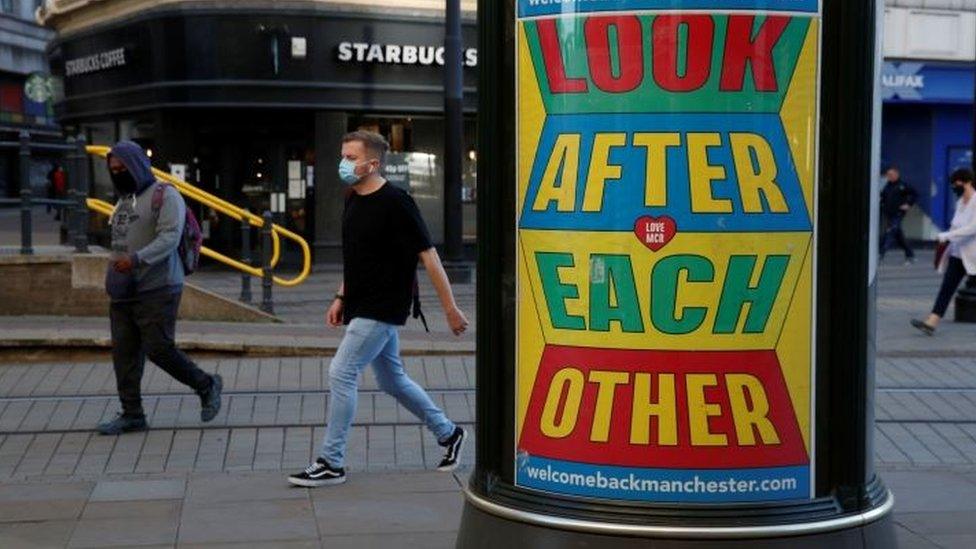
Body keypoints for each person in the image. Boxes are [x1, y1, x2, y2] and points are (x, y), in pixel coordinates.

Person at [289, 131, 469, 487]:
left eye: (351, 157)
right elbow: (356, 257)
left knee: (341, 372)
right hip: (360, 303)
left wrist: (450, 308)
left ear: (373, 163)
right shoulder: (352, 198)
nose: (344, 163)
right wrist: (341, 296)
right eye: (343, 155)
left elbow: (429, 256)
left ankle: (331, 461)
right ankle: (449, 434)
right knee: (392, 379)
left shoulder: (397, 201)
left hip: (384, 304)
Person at [96, 141, 223, 435]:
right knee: (124, 353)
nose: (117, 173)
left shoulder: (165, 196)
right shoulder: (124, 200)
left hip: (160, 286)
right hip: (124, 290)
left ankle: (206, 384)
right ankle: (132, 414)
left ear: (137, 166)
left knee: (158, 348)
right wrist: (114, 272)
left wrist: (136, 259)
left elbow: (169, 237)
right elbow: (120, 242)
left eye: (122, 168)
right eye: (113, 169)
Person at [911, 169, 976, 336]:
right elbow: (956, 225)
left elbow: (972, 228)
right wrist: (947, 239)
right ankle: (931, 322)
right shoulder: (961, 202)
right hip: (958, 253)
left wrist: (947, 235)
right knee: (947, 288)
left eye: (957, 183)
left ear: (967, 182)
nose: (954, 186)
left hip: (973, 255)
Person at [879, 166, 918, 264]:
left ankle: (880, 253)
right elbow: (883, 197)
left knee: (890, 231)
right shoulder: (887, 186)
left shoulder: (902, 185)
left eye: (891, 175)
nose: (889, 177)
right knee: (898, 235)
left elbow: (914, 194)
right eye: (888, 175)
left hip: (898, 213)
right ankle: (910, 255)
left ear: (897, 174)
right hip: (888, 213)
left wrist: (908, 204)